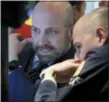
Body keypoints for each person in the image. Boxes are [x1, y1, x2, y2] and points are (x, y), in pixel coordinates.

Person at [34, 7, 109, 101]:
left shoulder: (103, 55)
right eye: (36, 30)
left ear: (101, 36)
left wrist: (48, 75)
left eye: (79, 47)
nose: (76, 58)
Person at [8, 1, 76, 101]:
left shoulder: (80, 68)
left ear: (71, 31)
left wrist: (12, 64)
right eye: (36, 30)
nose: (41, 41)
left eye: (52, 31)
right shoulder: (17, 52)